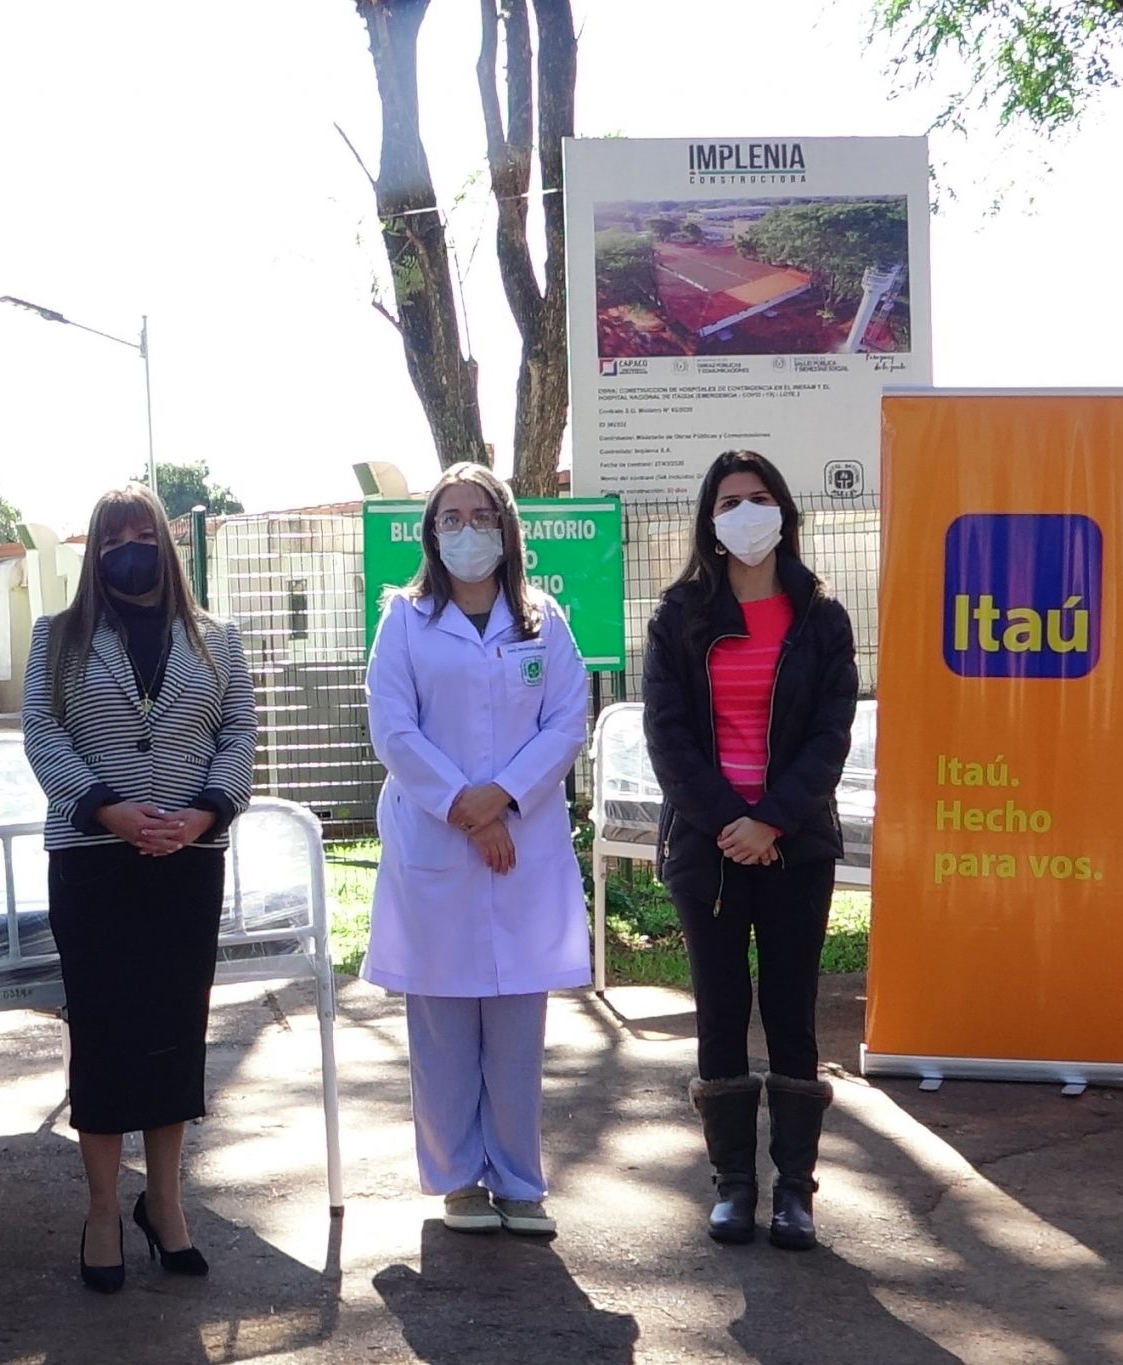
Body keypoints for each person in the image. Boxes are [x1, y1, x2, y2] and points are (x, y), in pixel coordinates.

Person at [21, 483, 255, 1294]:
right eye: (114, 536)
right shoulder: (58, 637)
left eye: (143, 533)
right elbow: (42, 734)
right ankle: (99, 1209)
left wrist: (201, 814)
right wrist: (108, 810)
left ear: (167, 541)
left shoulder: (217, 637)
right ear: (95, 549)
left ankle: (165, 1202)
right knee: (106, 1031)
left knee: (173, 1030)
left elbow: (238, 733)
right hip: (94, 858)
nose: (131, 547)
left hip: (188, 859)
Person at [362, 462, 590, 1238]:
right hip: (440, 841)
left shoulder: (543, 621)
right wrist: (468, 806)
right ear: (431, 534)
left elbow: (567, 721)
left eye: (481, 514)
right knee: (444, 1024)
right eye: (450, 517)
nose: (467, 530)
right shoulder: (405, 620)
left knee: (518, 1024)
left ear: (506, 528)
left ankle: (521, 1181)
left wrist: (505, 797)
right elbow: (394, 728)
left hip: (519, 844)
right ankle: (458, 1178)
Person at [641, 449, 857, 1252]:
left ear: (784, 511)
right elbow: (666, 734)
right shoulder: (678, 616)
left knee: (793, 1013)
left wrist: (772, 820)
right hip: (708, 847)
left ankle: (795, 1191)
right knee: (722, 1012)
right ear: (709, 521)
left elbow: (832, 733)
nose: (746, 513)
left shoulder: (821, 617)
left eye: (760, 497)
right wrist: (732, 820)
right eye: (730, 501)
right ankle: (734, 1184)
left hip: (796, 845)